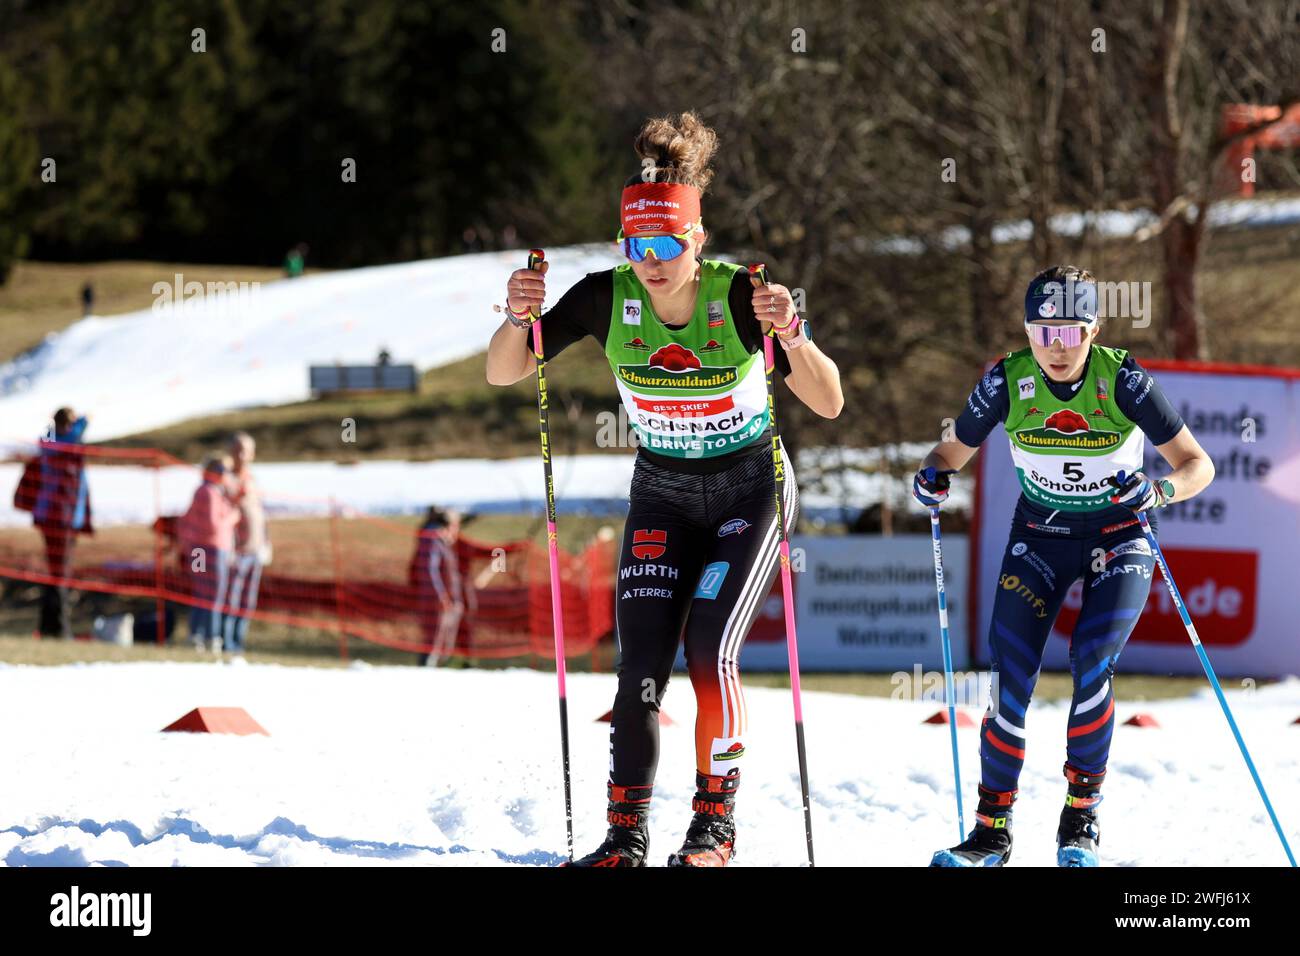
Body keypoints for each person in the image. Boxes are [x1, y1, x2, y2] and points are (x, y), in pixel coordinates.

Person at [486, 112, 843, 867]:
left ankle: (715, 828)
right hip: (663, 492)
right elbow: (506, 369)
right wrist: (519, 315)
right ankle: (625, 837)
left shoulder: (742, 297)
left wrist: (796, 336)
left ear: (697, 240)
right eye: (637, 246)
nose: (652, 262)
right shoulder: (603, 297)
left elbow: (830, 402)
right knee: (640, 661)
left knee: (709, 650)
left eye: (668, 245)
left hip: (751, 491)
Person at [914, 265, 1216, 867]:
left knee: (1091, 662)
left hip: (1119, 535)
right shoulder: (1007, 379)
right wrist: (933, 475)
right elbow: (950, 450)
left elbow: (1197, 464)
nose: (1057, 346)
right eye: (1043, 331)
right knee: (1010, 678)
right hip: (1041, 536)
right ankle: (990, 832)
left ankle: (1080, 822)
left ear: (1094, 329)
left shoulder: (1122, 379)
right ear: (1027, 331)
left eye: (1071, 331)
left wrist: (1159, 493)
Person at [32, 408, 93, 638]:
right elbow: (75, 434)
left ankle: (49, 625)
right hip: (60, 517)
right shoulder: (65, 443)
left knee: (55, 571)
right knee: (60, 572)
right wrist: (80, 421)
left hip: (54, 516)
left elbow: (49, 435)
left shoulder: (52, 441)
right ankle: (59, 628)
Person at [178, 454, 241, 653]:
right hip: (211, 550)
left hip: (198, 549)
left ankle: (196, 634)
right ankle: (210, 637)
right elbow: (213, 525)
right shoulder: (209, 492)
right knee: (213, 593)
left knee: (201, 592)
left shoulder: (206, 491)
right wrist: (233, 517)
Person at [223, 433, 271, 658]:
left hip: (256, 549)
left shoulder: (254, 480)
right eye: (238, 449)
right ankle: (226, 641)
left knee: (247, 600)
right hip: (236, 551)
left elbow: (261, 514)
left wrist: (266, 542)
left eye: (246, 450)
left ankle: (238, 642)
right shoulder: (225, 480)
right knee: (230, 598)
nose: (242, 455)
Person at [409, 506, 465, 667]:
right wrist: (440, 595)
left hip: (449, 601)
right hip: (438, 601)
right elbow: (429, 569)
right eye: (456, 525)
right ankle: (427, 671)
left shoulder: (444, 542)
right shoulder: (432, 540)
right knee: (433, 641)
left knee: (444, 645)